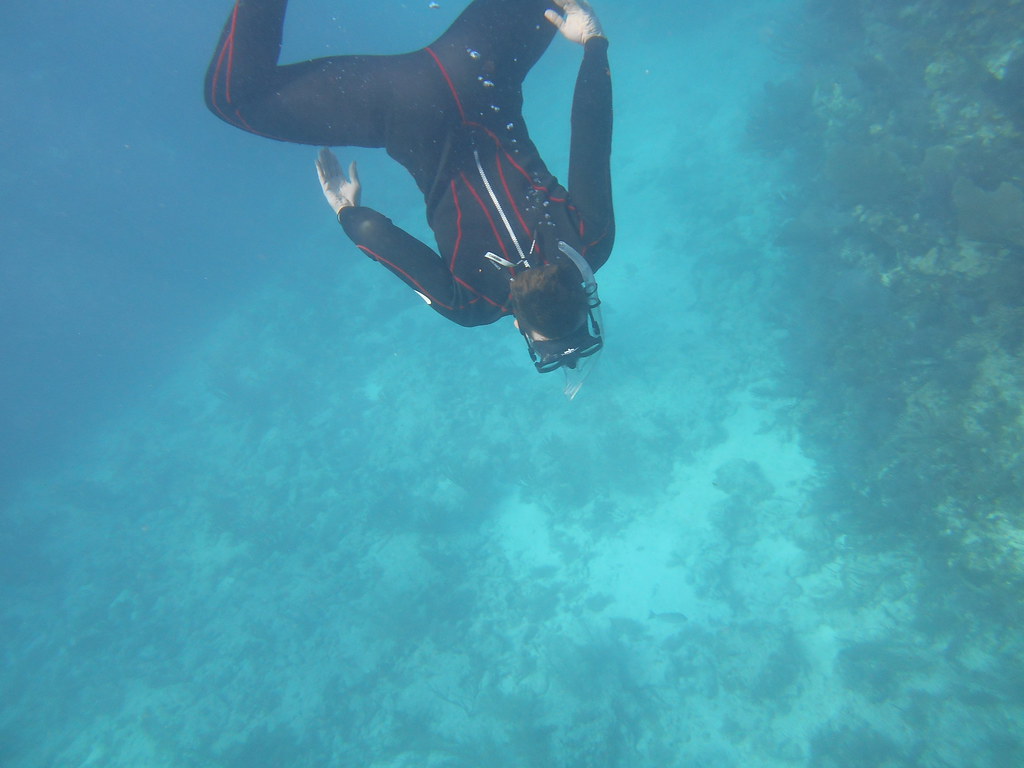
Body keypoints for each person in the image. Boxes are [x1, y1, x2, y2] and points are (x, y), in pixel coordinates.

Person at [205, 0, 614, 397]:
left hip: (479, 70)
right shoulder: (470, 304)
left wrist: (593, 43)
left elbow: (591, 137)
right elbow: (378, 237)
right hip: (401, 111)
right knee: (234, 101)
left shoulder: (591, 243)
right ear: (520, 328)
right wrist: (348, 209)